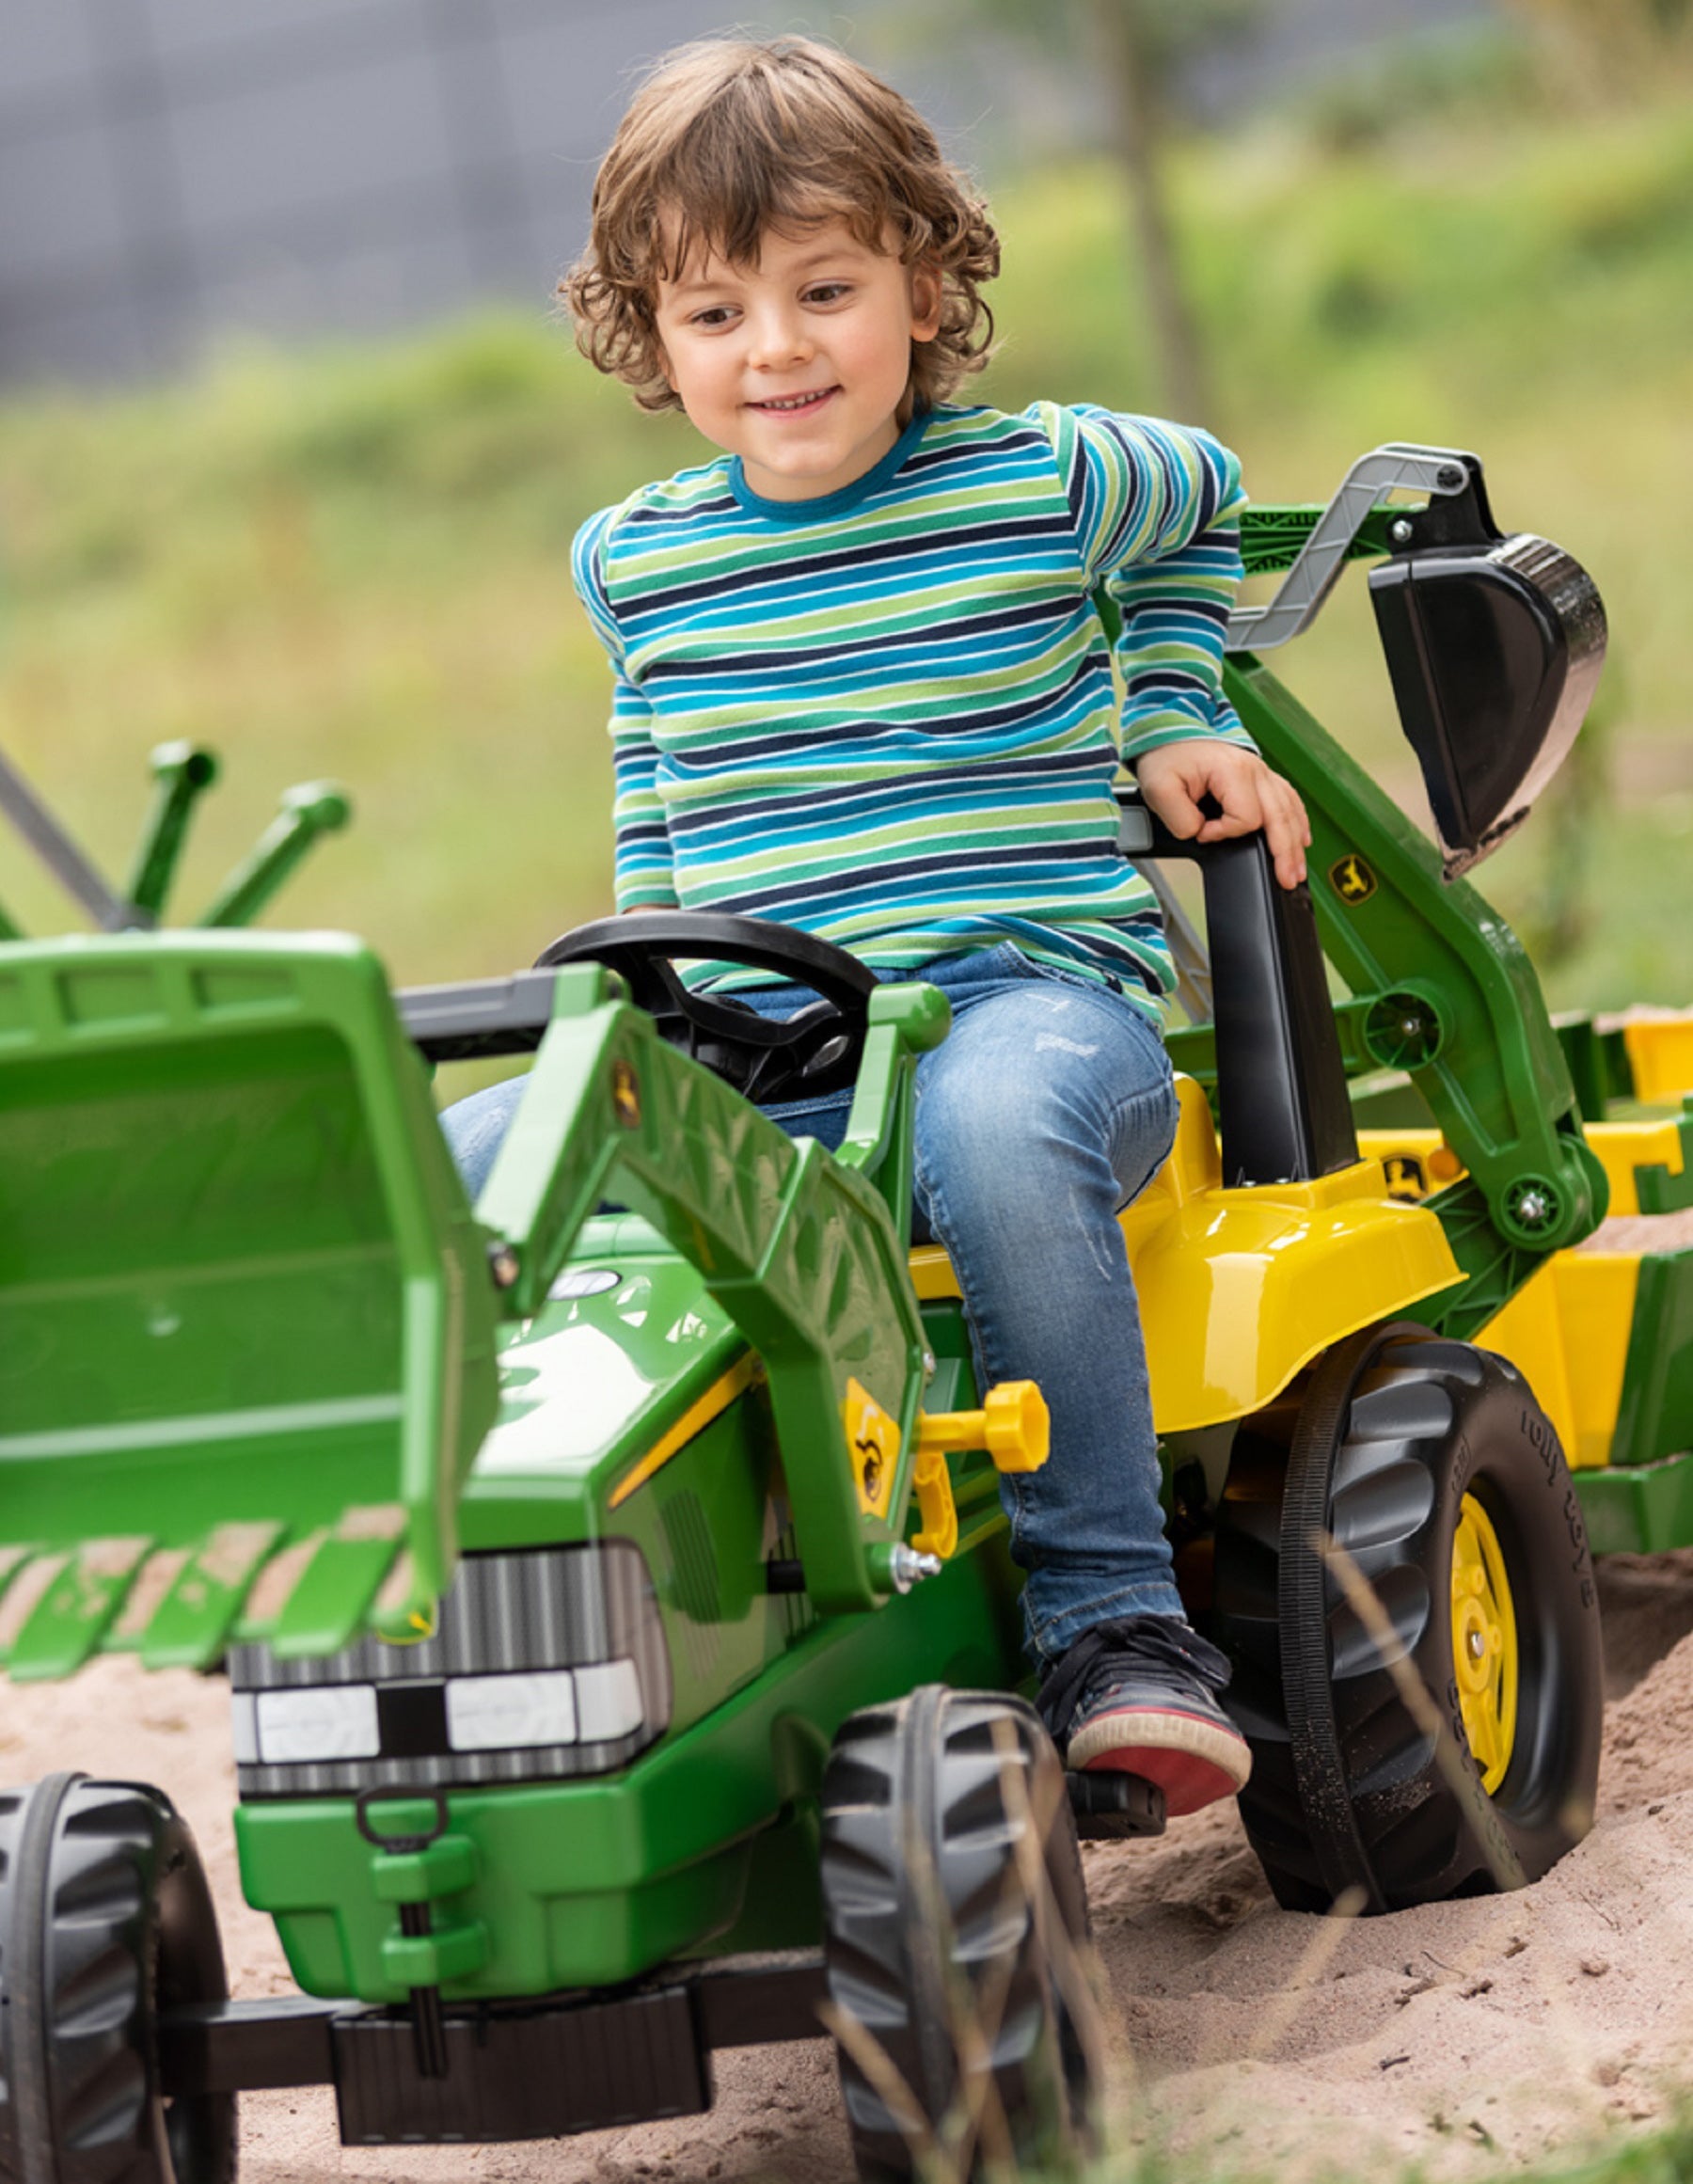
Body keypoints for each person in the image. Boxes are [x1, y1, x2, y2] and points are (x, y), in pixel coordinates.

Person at [442, 33, 1310, 1821]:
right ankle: (468, 1632)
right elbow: (657, 811)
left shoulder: (1049, 478)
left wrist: (1167, 705)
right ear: (645, 338)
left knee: (993, 1137)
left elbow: (1205, 502)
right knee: (456, 1161)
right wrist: (640, 1010)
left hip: (1024, 1008)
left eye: (824, 289)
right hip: (766, 1061)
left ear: (924, 282)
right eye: (711, 314)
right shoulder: (638, 561)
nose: (775, 350)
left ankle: (1114, 1624)